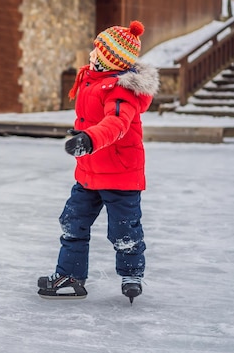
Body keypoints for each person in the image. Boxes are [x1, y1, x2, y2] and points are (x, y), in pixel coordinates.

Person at [37, 20, 159, 303]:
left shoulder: (120, 90)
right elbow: (94, 119)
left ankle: (131, 274)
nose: (92, 54)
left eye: (97, 50)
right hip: (90, 173)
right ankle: (70, 276)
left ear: (109, 59)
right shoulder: (93, 80)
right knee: (72, 222)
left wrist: (89, 140)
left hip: (120, 175)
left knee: (124, 230)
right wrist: (84, 135)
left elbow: (116, 124)